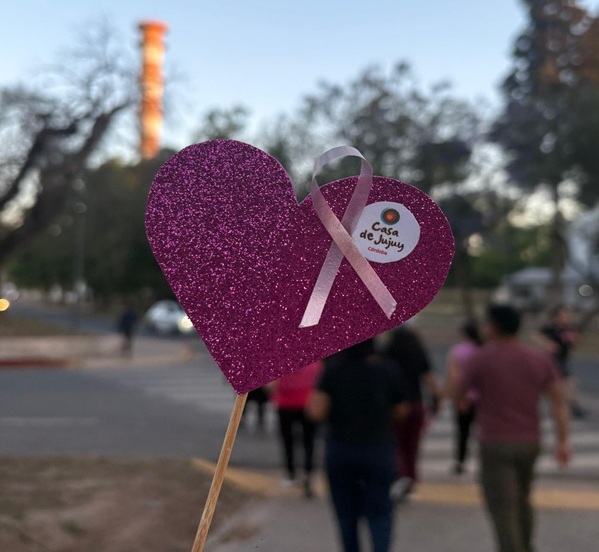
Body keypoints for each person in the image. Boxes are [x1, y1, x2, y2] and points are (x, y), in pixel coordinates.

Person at [448, 304, 571, 552]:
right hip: (530, 441)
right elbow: (558, 403)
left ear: (495, 326)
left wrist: (456, 379)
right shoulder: (538, 358)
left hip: (495, 442)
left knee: (503, 506)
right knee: (522, 500)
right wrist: (563, 441)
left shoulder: (480, 358)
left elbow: (455, 392)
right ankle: (526, 546)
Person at [307, 339, 407, 552]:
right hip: (378, 449)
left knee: (346, 515)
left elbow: (316, 411)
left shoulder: (333, 370)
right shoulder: (388, 369)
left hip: (341, 449)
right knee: (380, 512)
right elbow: (402, 410)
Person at [380, 325, 442, 500]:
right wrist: (436, 401)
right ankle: (411, 483)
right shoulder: (418, 354)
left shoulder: (387, 354)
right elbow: (430, 379)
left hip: (394, 407)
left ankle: (400, 477)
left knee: (395, 444)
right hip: (416, 404)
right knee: (412, 446)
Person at [270, 360, 323, 497]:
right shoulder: (315, 363)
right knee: (309, 441)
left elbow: (271, 386)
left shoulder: (280, 361)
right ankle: (308, 474)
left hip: (285, 405)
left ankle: (290, 473)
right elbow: (321, 385)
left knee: (287, 440)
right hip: (307, 404)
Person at [445, 320, 483, 475]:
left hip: (463, 397)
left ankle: (460, 461)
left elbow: (454, 376)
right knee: (482, 431)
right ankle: (484, 461)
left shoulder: (457, 351)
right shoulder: (482, 350)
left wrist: (458, 397)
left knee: (462, 432)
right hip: (482, 398)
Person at [534, 305, 584, 418]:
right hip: (552, 359)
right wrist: (547, 344)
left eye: (567, 315)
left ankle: (570, 406)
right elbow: (536, 337)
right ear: (557, 316)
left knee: (568, 383)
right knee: (567, 382)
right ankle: (569, 407)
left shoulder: (568, 328)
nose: (565, 318)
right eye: (563, 315)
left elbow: (574, 340)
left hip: (563, 359)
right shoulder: (550, 327)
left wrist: (574, 339)